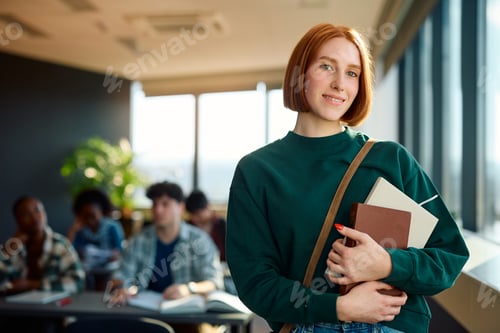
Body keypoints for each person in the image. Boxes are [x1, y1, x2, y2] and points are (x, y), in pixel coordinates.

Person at [225, 23, 469, 333]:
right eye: (327, 66)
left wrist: (388, 264)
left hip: (393, 326)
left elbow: (449, 257)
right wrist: (338, 307)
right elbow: (255, 284)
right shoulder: (257, 170)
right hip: (310, 327)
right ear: (299, 73)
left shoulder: (391, 159)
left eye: (352, 73)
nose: (340, 84)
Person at [107, 181, 224, 333]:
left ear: (181, 207)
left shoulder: (199, 240)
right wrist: (124, 287)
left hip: (188, 318)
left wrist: (189, 288)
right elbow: (121, 274)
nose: (158, 210)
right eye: (154, 204)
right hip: (144, 316)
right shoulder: (139, 240)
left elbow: (214, 282)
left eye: (165, 204)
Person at [0, 195, 85, 294]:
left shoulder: (59, 244)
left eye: (37, 210)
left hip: (51, 307)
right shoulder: (13, 246)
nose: (34, 217)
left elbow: (78, 282)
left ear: (44, 212)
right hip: (14, 306)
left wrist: (31, 284)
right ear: (17, 220)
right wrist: (8, 251)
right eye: (26, 214)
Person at [67, 188, 125, 290]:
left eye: (93, 216)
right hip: (87, 271)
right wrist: (73, 231)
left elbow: (119, 251)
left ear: (101, 212)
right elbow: (68, 251)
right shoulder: (80, 229)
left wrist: (114, 255)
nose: (90, 220)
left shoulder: (112, 227)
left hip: (108, 270)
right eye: (86, 216)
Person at [185, 189, 237, 295]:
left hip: (223, 274)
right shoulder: (188, 228)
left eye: (199, 214)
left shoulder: (222, 226)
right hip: (195, 276)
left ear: (207, 207)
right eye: (193, 215)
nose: (196, 218)